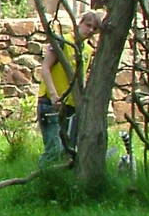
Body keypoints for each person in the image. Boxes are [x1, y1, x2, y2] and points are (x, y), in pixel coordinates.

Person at [38, 10, 104, 165]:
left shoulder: (87, 50)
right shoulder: (62, 42)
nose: (90, 31)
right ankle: (41, 181)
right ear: (79, 23)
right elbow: (45, 68)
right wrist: (54, 95)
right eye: (88, 25)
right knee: (53, 150)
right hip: (51, 103)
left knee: (68, 152)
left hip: (72, 107)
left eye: (95, 29)